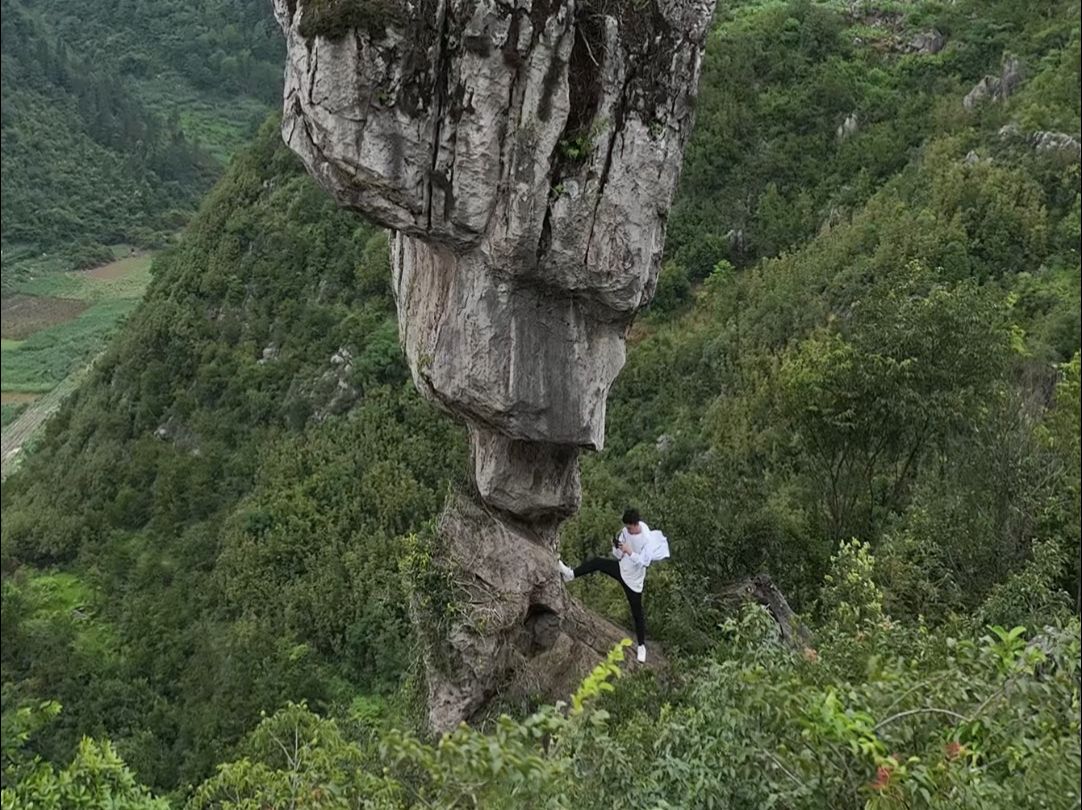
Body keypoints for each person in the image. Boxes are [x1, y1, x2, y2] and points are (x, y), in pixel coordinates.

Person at [558, 508, 665, 663]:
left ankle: (641, 646)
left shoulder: (646, 538)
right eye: (626, 527)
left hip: (634, 581)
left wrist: (630, 552)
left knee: (637, 613)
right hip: (622, 568)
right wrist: (617, 548)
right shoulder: (625, 531)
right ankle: (570, 574)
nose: (627, 530)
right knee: (598, 563)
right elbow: (618, 554)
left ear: (636, 525)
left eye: (629, 528)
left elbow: (644, 562)